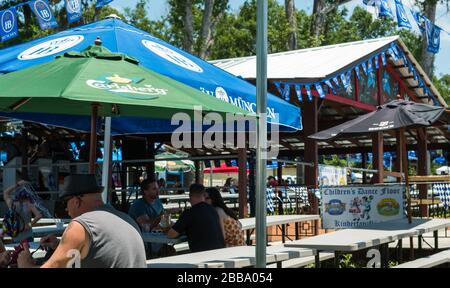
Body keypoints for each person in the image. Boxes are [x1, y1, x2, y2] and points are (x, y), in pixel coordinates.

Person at [17, 174, 146, 268]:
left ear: (76, 201)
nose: (66, 209)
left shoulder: (81, 225)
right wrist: (59, 246)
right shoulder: (126, 219)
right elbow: (102, 253)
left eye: (65, 203)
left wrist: (25, 264)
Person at [167, 184, 225, 253]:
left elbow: (171, 234)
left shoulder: (189, 213)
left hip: (201, 256)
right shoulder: (213, 210)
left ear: (190, 196)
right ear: (204, 195)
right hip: (220, 252)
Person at [3, 179, 42, 243]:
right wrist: (29, 225)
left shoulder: (11, 204)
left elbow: (6, 192)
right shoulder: (29, 205)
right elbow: (39, 216)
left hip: (15, 236)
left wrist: (18, 184)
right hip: (27, 236)